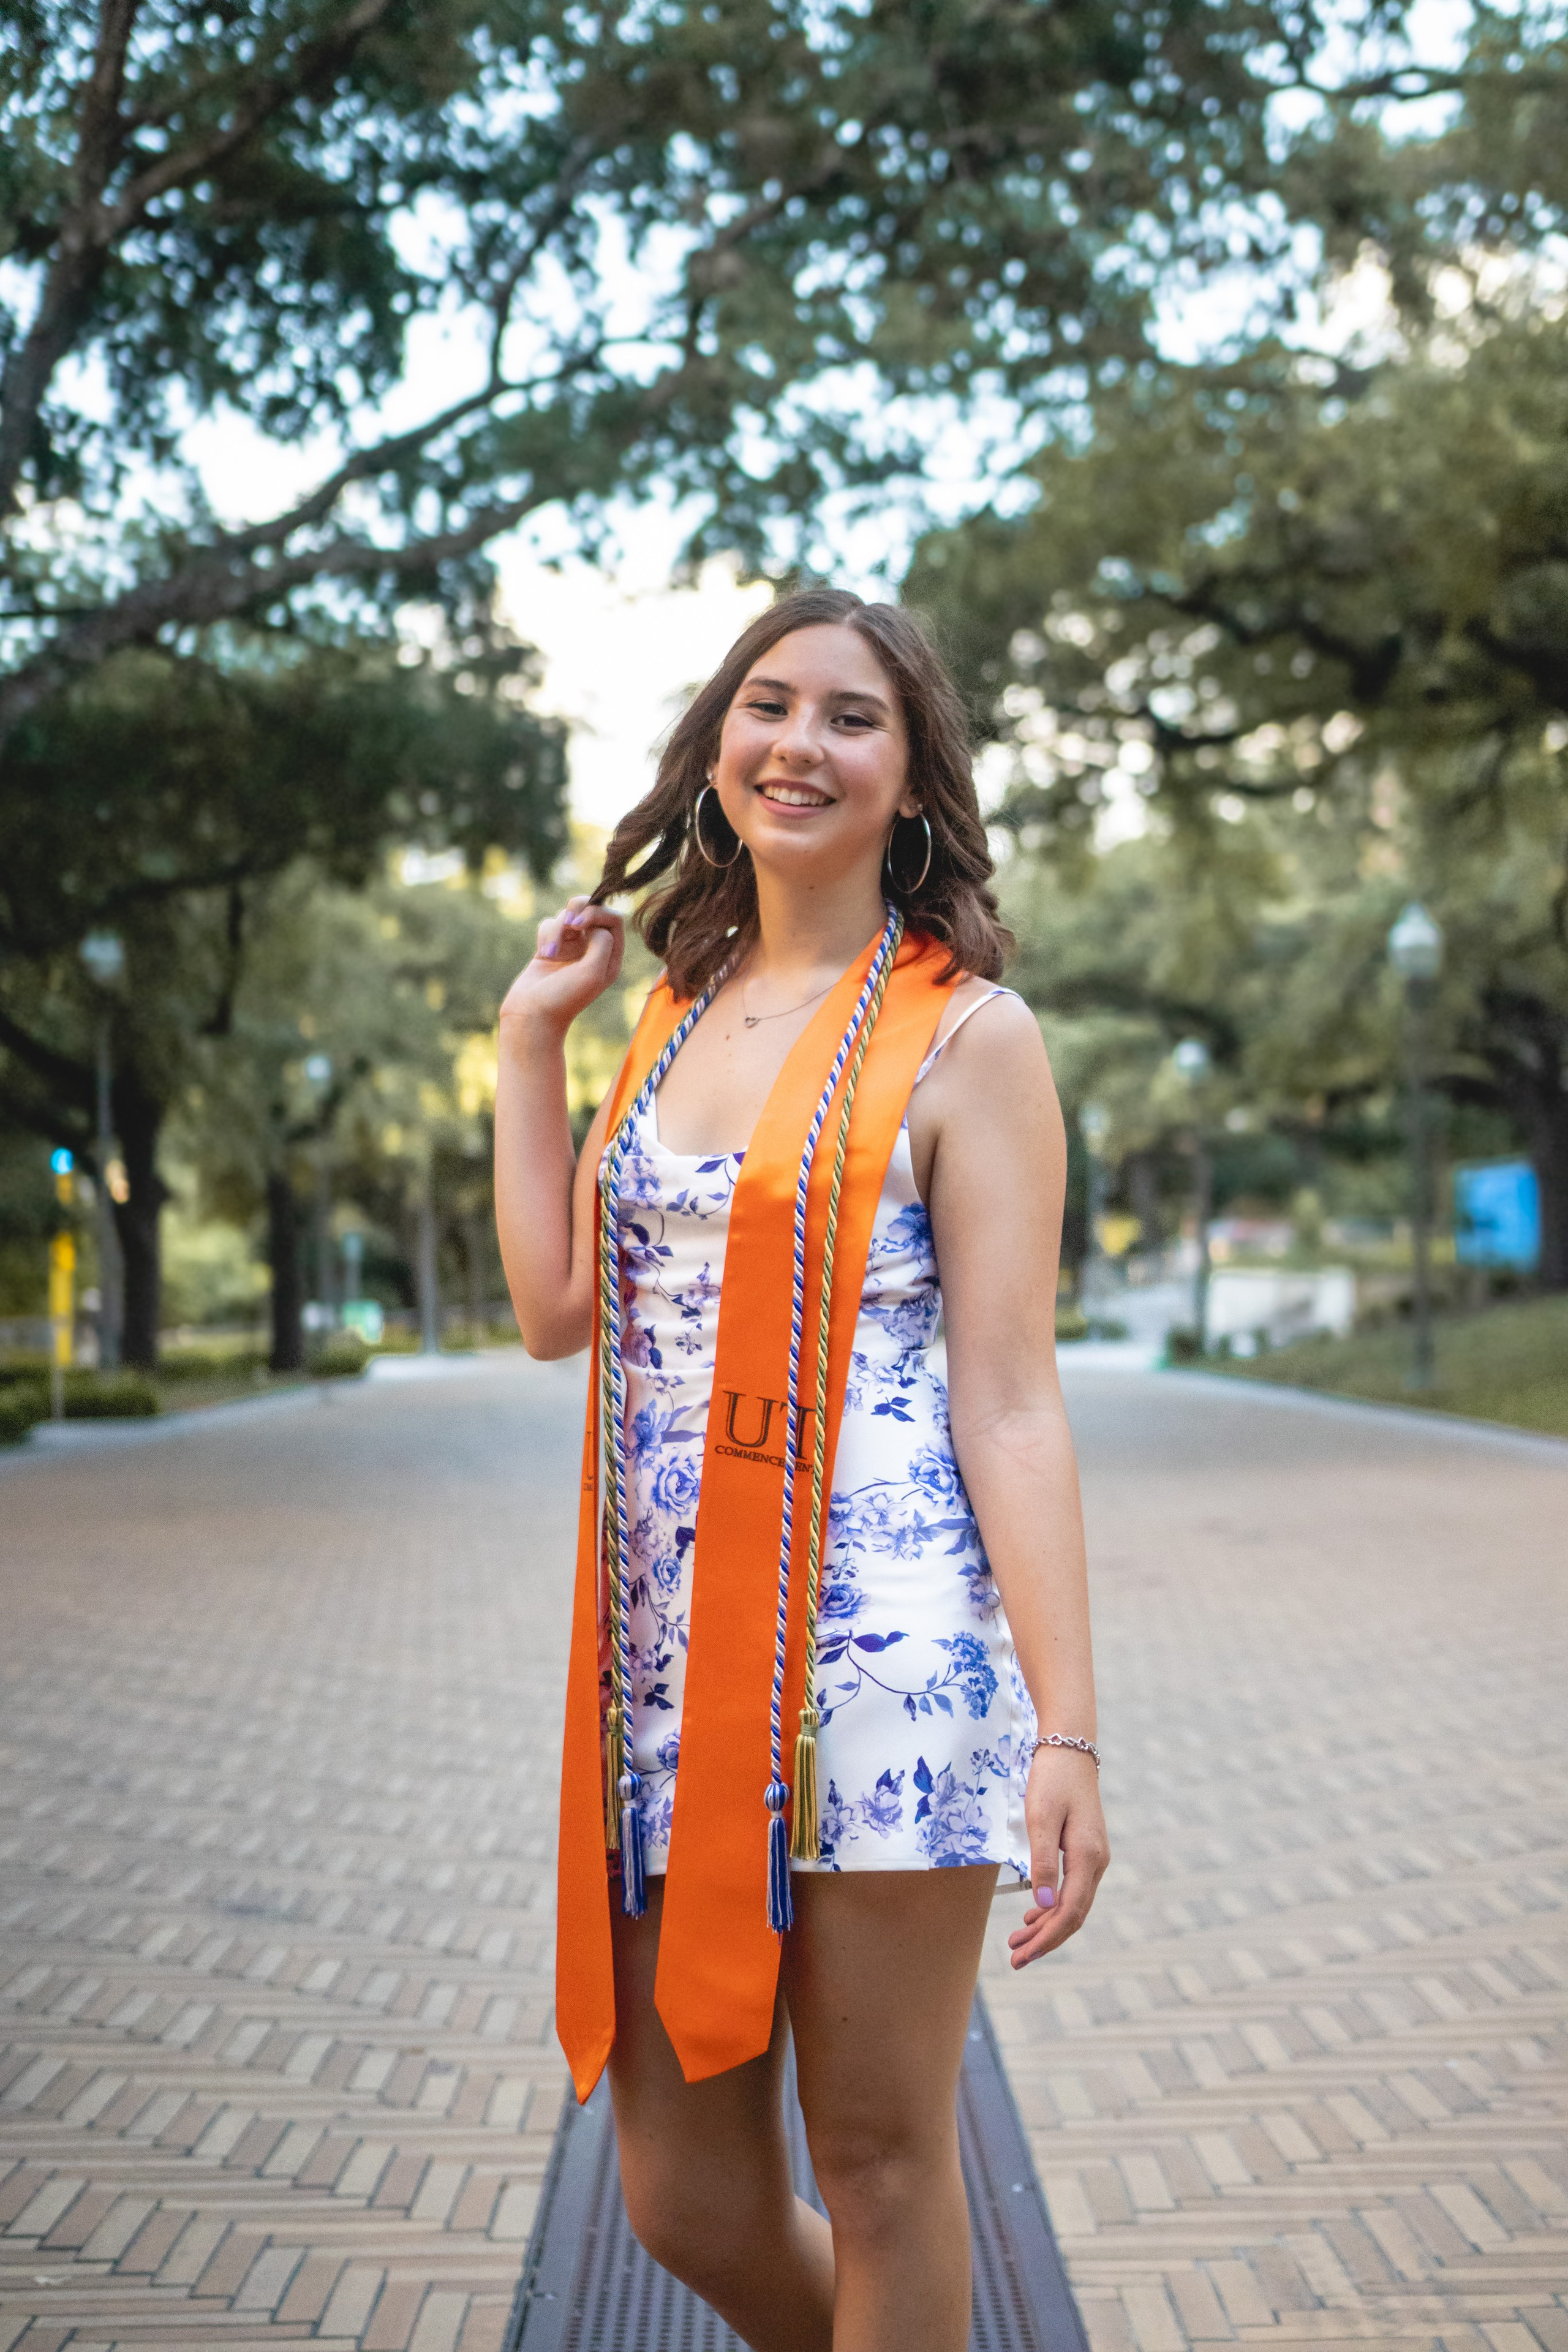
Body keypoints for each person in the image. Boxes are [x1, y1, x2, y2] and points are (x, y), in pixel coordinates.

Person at [495, 587, 1107, 2352]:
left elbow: (1009, 1400)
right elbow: (557, 1309)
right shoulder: (671, 1016)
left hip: (887, 1669)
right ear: (717, 750)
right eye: (769, 706)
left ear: (915, 780)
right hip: (669, 1675)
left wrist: (1066, 1731)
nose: (800, 744)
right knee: (677, 2195)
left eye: (854, 718)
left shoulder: (971, 1040)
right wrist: (531, 1041)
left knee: (883, 2160)